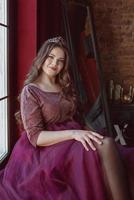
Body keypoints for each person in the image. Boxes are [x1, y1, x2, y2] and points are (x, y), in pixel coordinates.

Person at [0, 36, 133, 200]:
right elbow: (35, 137)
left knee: (109, 144)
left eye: (60, 60)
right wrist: (73, 133)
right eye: (50, 57)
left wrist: (82, 131)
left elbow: (75, 117)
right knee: (104, 147)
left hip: (71, 133)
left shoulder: (63, 84)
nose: (54, 63)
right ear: (42, 57)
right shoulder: (31, 91)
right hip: (46, 146)